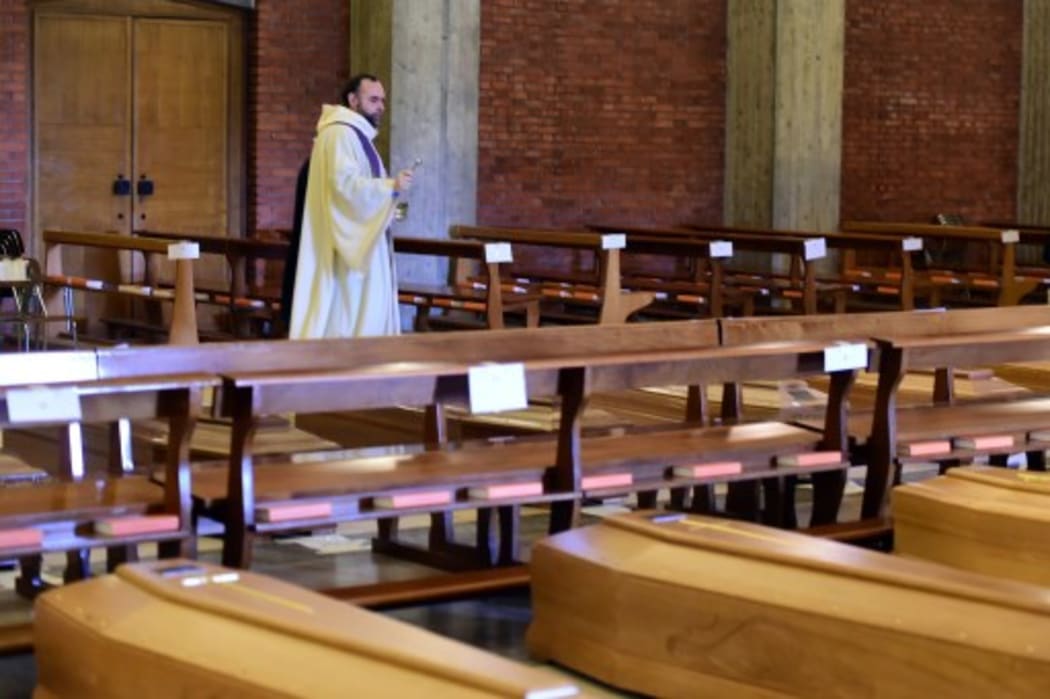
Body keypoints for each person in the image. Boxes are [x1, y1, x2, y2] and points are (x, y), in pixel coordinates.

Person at [286, 73, 413, 339]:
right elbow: (344, 188)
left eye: (383, 101)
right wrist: (390, 187)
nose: (381, 107)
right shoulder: (340, 134)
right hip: (345, 248)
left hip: (359, 240)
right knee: (347, 313)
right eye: (374, 99)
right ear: (353, 100)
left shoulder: (355, 135)